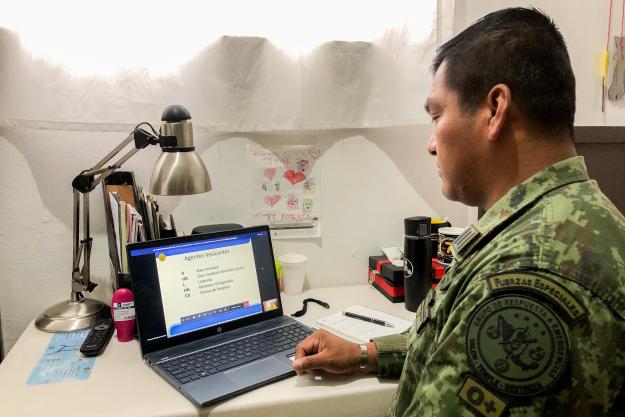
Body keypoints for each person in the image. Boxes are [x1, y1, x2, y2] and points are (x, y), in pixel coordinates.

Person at [292, 7, 625, 417]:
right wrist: (365, 353)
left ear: (495, 109)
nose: (431, 144)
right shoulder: (562, 215)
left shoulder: (527, 278)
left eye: (436, 115)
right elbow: (453, 338)